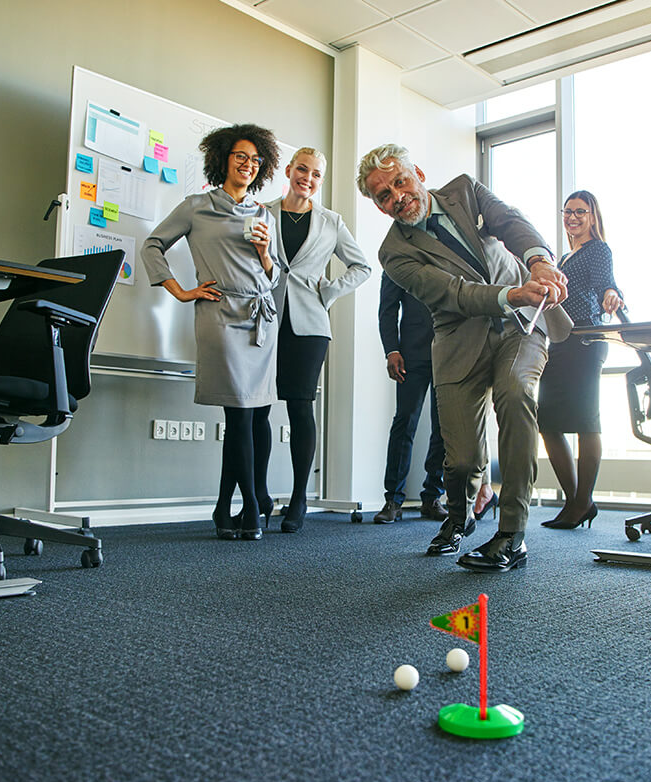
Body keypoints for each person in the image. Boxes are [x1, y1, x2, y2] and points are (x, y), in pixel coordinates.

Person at [356, 143, 573, 573]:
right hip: (459, 339)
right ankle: (459, 516)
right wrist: (511, 294)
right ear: (379, 206)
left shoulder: (465, 191)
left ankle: (512, 533)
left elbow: (511, 223)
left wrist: (539, 262)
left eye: (399, 181)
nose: (396, 196)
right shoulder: (393, 253)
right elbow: (449, 292)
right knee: (461, 461)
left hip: (521, 327)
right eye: (383, 195)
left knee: (515, 395)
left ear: (416, 171)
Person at [141, 123, 282, 541]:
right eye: (241, 156)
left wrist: (264, 252)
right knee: (239, 412)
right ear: (223, 159)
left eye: (256, 160)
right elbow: (152, 245)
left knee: (256, 416)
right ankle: (254, 507)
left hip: (261, 317)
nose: (248, 165)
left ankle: (226, 508)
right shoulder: (196, 206)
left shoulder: (264, 214)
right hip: (220, 315)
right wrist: (181, 291)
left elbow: (275, 277)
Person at [264, 147, 372, 533]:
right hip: (264, 319)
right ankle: (259, 494)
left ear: (320, 181)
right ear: (289, 171)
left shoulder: (330, 221)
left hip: (309, 326)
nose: (307, 178)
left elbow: (362, 266)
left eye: (316, 174)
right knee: (257, 407)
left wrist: (328, 292)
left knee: (299, 408)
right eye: (302, 169)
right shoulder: (263, 212)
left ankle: (298, 499)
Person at [539, 190, 623, 529]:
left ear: (593, 216)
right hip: (561, 342)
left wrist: (611, 295)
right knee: (547, 422)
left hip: (587, 340)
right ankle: (578, 501)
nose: (573, 217)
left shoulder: (597, 249)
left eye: (581, 212)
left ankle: (580, 501)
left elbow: (607, 284)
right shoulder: (564, 258)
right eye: (568, 211)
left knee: (587, 422)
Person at [374, 272, 447, 525]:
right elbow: (388, 309)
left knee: (444, 427)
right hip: (411, 353)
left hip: (449, 350)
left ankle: (432, 497)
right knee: (404, 422)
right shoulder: (398, 257)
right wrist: (391, 350)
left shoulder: (449, 251)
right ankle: (393, 499)